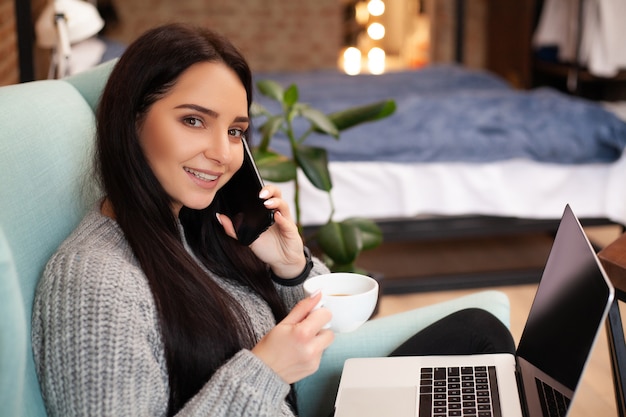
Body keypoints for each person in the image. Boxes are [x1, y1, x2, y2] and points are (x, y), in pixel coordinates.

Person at [31, 23, 515, 417]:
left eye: (236, 130)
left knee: (479, 334)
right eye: (194, 120)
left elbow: (327, 328)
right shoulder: (95, 281)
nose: (222, 154)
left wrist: (291, 268)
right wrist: (264, 370)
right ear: (131, 120)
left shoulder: (198, 227)